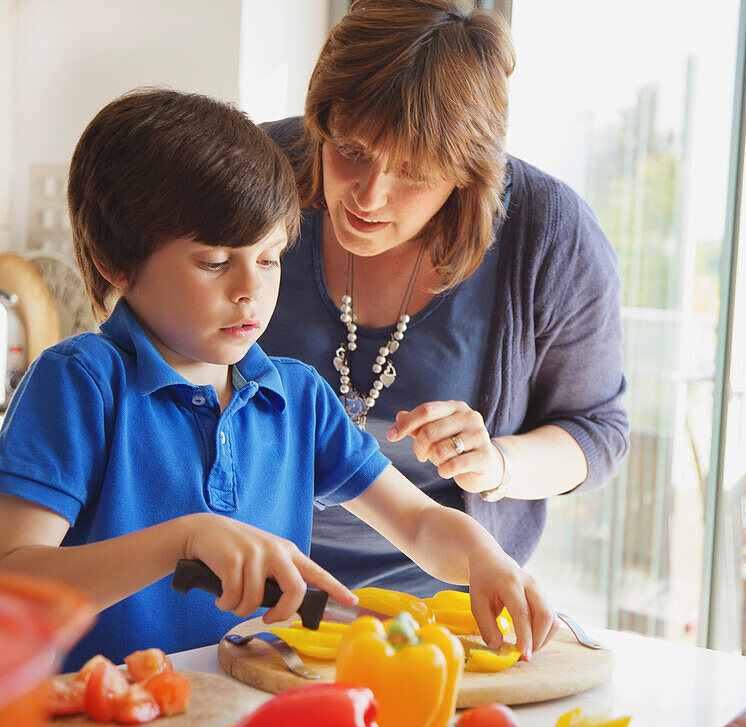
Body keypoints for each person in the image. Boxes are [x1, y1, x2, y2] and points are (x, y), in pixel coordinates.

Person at [0, 88, 555, 672]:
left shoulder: (297, 399)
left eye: (269, 259)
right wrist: (181, 540)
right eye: (215, 262)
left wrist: (486, 561)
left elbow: (417, 522)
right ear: (118, 263)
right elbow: (14, 581)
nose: (251, 289)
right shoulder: (80, 384)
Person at [259, 0, 630, 596]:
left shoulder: (548, 231)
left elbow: (598, 432)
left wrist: (497, 464)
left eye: (412, 171)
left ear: (466, 172)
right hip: (248, 584)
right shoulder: (256, 172)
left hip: (443, 601)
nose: (369, 196)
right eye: (349, 149)